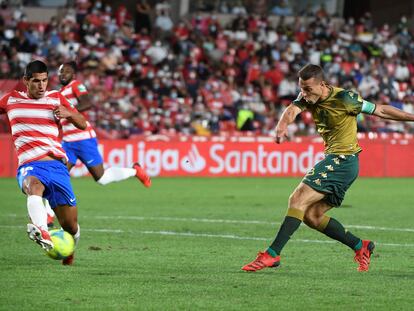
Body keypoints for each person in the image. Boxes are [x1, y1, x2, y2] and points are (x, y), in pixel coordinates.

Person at [242, 64, 414, 272]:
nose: (304, 94)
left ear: (322, 84)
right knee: (312, 216)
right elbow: (292, 109)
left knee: (297, 198)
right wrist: (282, 126)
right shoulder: (307, 97)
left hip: (343, 159)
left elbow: (381, 110)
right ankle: (361, 246)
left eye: (308, 89)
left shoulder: (346, 99)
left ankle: (272, 254)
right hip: (339, 161)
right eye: (302, 89)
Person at [0, 60, 87, 265]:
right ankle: (42, 231)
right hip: (30, 164)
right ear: (25, 81)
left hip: (57, 166)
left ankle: (69, 247)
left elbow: (83, 123)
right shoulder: (11, 100)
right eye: (36, 81)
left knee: (71, 225)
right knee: (33, 186)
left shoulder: (56, 98)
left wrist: (70, 114)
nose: (41, 86)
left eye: (45, 81)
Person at [57, 61, 151, 187]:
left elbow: (87, 103)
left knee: (101, 178)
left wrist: (68, 112)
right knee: (58, 175)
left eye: (67, 71)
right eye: (61, 71)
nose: (63, 74)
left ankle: (135, 171)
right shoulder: (59, 93)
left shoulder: (76, 85)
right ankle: (48, 207)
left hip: (83, 139)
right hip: (68, 142)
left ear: (73, 75)